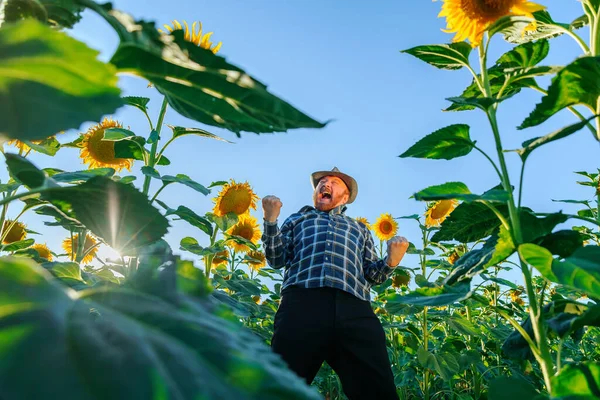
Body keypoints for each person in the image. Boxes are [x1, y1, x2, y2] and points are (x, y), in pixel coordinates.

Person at [261, 167, 409, 400]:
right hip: (302, 304)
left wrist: (391, 261)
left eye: (334, 182)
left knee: (377, 388)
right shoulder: (298, 219)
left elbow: (372, 275)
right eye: (322, 182)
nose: (325, 185)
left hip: (354, 307)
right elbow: (277, 259)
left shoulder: (359, 229)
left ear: (346, 196)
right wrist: (270, 222)